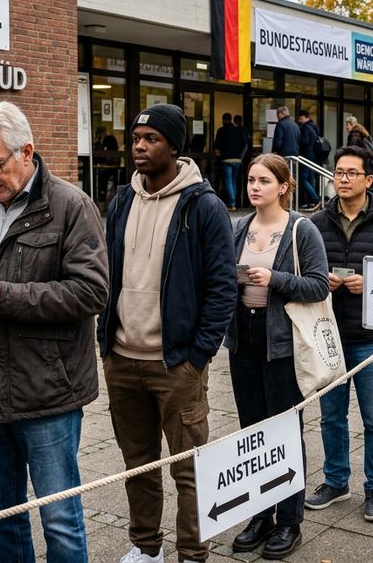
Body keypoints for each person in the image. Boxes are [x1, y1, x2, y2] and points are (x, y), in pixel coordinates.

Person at [0, 101, 109, 562]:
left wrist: (6, 298)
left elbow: (91, 293)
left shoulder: (71, 206)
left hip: (47, 392)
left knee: (59, 518)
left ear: (26, 151)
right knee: (0, 514)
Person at [99, 103, 237, 563]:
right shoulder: (121, 200)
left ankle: (192, 554)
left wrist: (199, 355)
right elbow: (108, 274)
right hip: (122, 357)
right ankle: (145, 548)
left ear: (175, 147)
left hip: (177, 363)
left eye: (151, 138)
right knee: (137, 465)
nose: (139, 146)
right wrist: (106, 344)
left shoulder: (203, 205)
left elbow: (222, 288)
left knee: (189, 469)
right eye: (136, 138)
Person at [224, 154, 329, 559]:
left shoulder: (302, 230)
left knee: (283, 432)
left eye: (264, 181)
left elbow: (319, 285)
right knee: (252, 432)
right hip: (244, 340)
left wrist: (276, 279)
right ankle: (258, 514)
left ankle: (289, 520)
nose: (254, 187)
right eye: (251, 180)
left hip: (283, 343)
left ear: (283, 187)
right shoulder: (239, 228)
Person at [308, 146, 373, 522]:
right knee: (331, 417)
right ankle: (336, 482)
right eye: (338, 172)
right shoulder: (317, 222)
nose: (343, 179)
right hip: (329, 337)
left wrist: (369, 283)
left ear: (369, 180)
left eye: (352, 173)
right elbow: (303, 269)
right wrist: (323, 283)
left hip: (371, 339)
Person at [213, 111, 248, 211]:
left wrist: (218, 159)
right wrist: (240, 157)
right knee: (233, 182)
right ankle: (234, 203)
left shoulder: (221, 130)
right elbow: (245, 145)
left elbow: (217, 148)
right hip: (237, 160)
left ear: (224, 120)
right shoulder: (238, 131)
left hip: (226, 159)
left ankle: (232, 203)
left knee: (228, 181)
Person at [295, 109, 324, 210]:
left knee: (303, 178)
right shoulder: (314, 127)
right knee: (311, 179)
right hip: (314, 155)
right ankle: (311, 202)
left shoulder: (306, 128)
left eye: (301, 118)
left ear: (305, 117)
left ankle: (315, 199)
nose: (299, 120)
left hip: (306, 155)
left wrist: (298, 144)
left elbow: (305, 141)